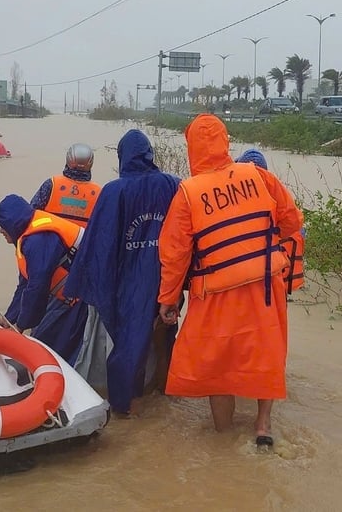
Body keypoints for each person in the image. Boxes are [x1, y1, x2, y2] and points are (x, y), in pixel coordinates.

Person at [157, 114, 302, 446]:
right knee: (267, 354)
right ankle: (262, 426)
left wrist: (168, 300)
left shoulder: (189, 192)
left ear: (192, 147)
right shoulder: (259, 176)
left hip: (217, 292)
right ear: (226, 141)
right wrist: (255, 246)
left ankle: (223, 438)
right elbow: (292, 221)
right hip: (266, 285)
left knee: (218, 364)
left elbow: (175, 253)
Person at [63, 129, 180, 415]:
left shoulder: (114, 191)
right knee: (164, 338)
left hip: (128, 283)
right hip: (168, 280)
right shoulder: (173, 185)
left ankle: (124, 408)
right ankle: (166, 394)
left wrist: (82, 285)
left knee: (129, 342)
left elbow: (99, 243)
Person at [0, 194, 89, 363]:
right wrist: (8, 319)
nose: (0, 231)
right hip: (69, 296)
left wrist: (21, 326)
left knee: (46, 346)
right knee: (44, 337)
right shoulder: (27, 237)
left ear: (12, 224)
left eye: (2, 226)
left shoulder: (38, 240)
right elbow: (25, 285)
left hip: (83, 299)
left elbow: (38, 286)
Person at [235, 149, 306, 295]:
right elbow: (293, 222)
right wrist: (274, 236)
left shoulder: (233, 195)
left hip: (240, 276)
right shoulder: (275, 192)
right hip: (273, 275)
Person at [30, 143, 102, 228]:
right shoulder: (98, 192)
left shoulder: (52, 184)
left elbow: (31, 213)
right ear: (90, 164)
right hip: (82, 240)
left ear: (68, 159)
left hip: (50, 238)